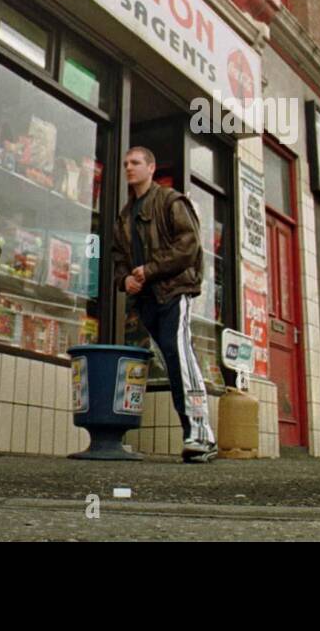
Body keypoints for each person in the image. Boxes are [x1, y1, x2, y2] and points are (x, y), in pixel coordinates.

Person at [113, 147, 217, 462]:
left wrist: (150, 270)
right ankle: (196, 434)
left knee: (180, 355)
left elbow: (189, 245)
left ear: (151, 167)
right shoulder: (124, 215)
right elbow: (119, 258)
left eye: (135, 163)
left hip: (174, 290)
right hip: (146, 299)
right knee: (172, 360)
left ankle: (201, 435)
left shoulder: (171, 201)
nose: (129, 168)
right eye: (126, 164)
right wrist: (124, 281)